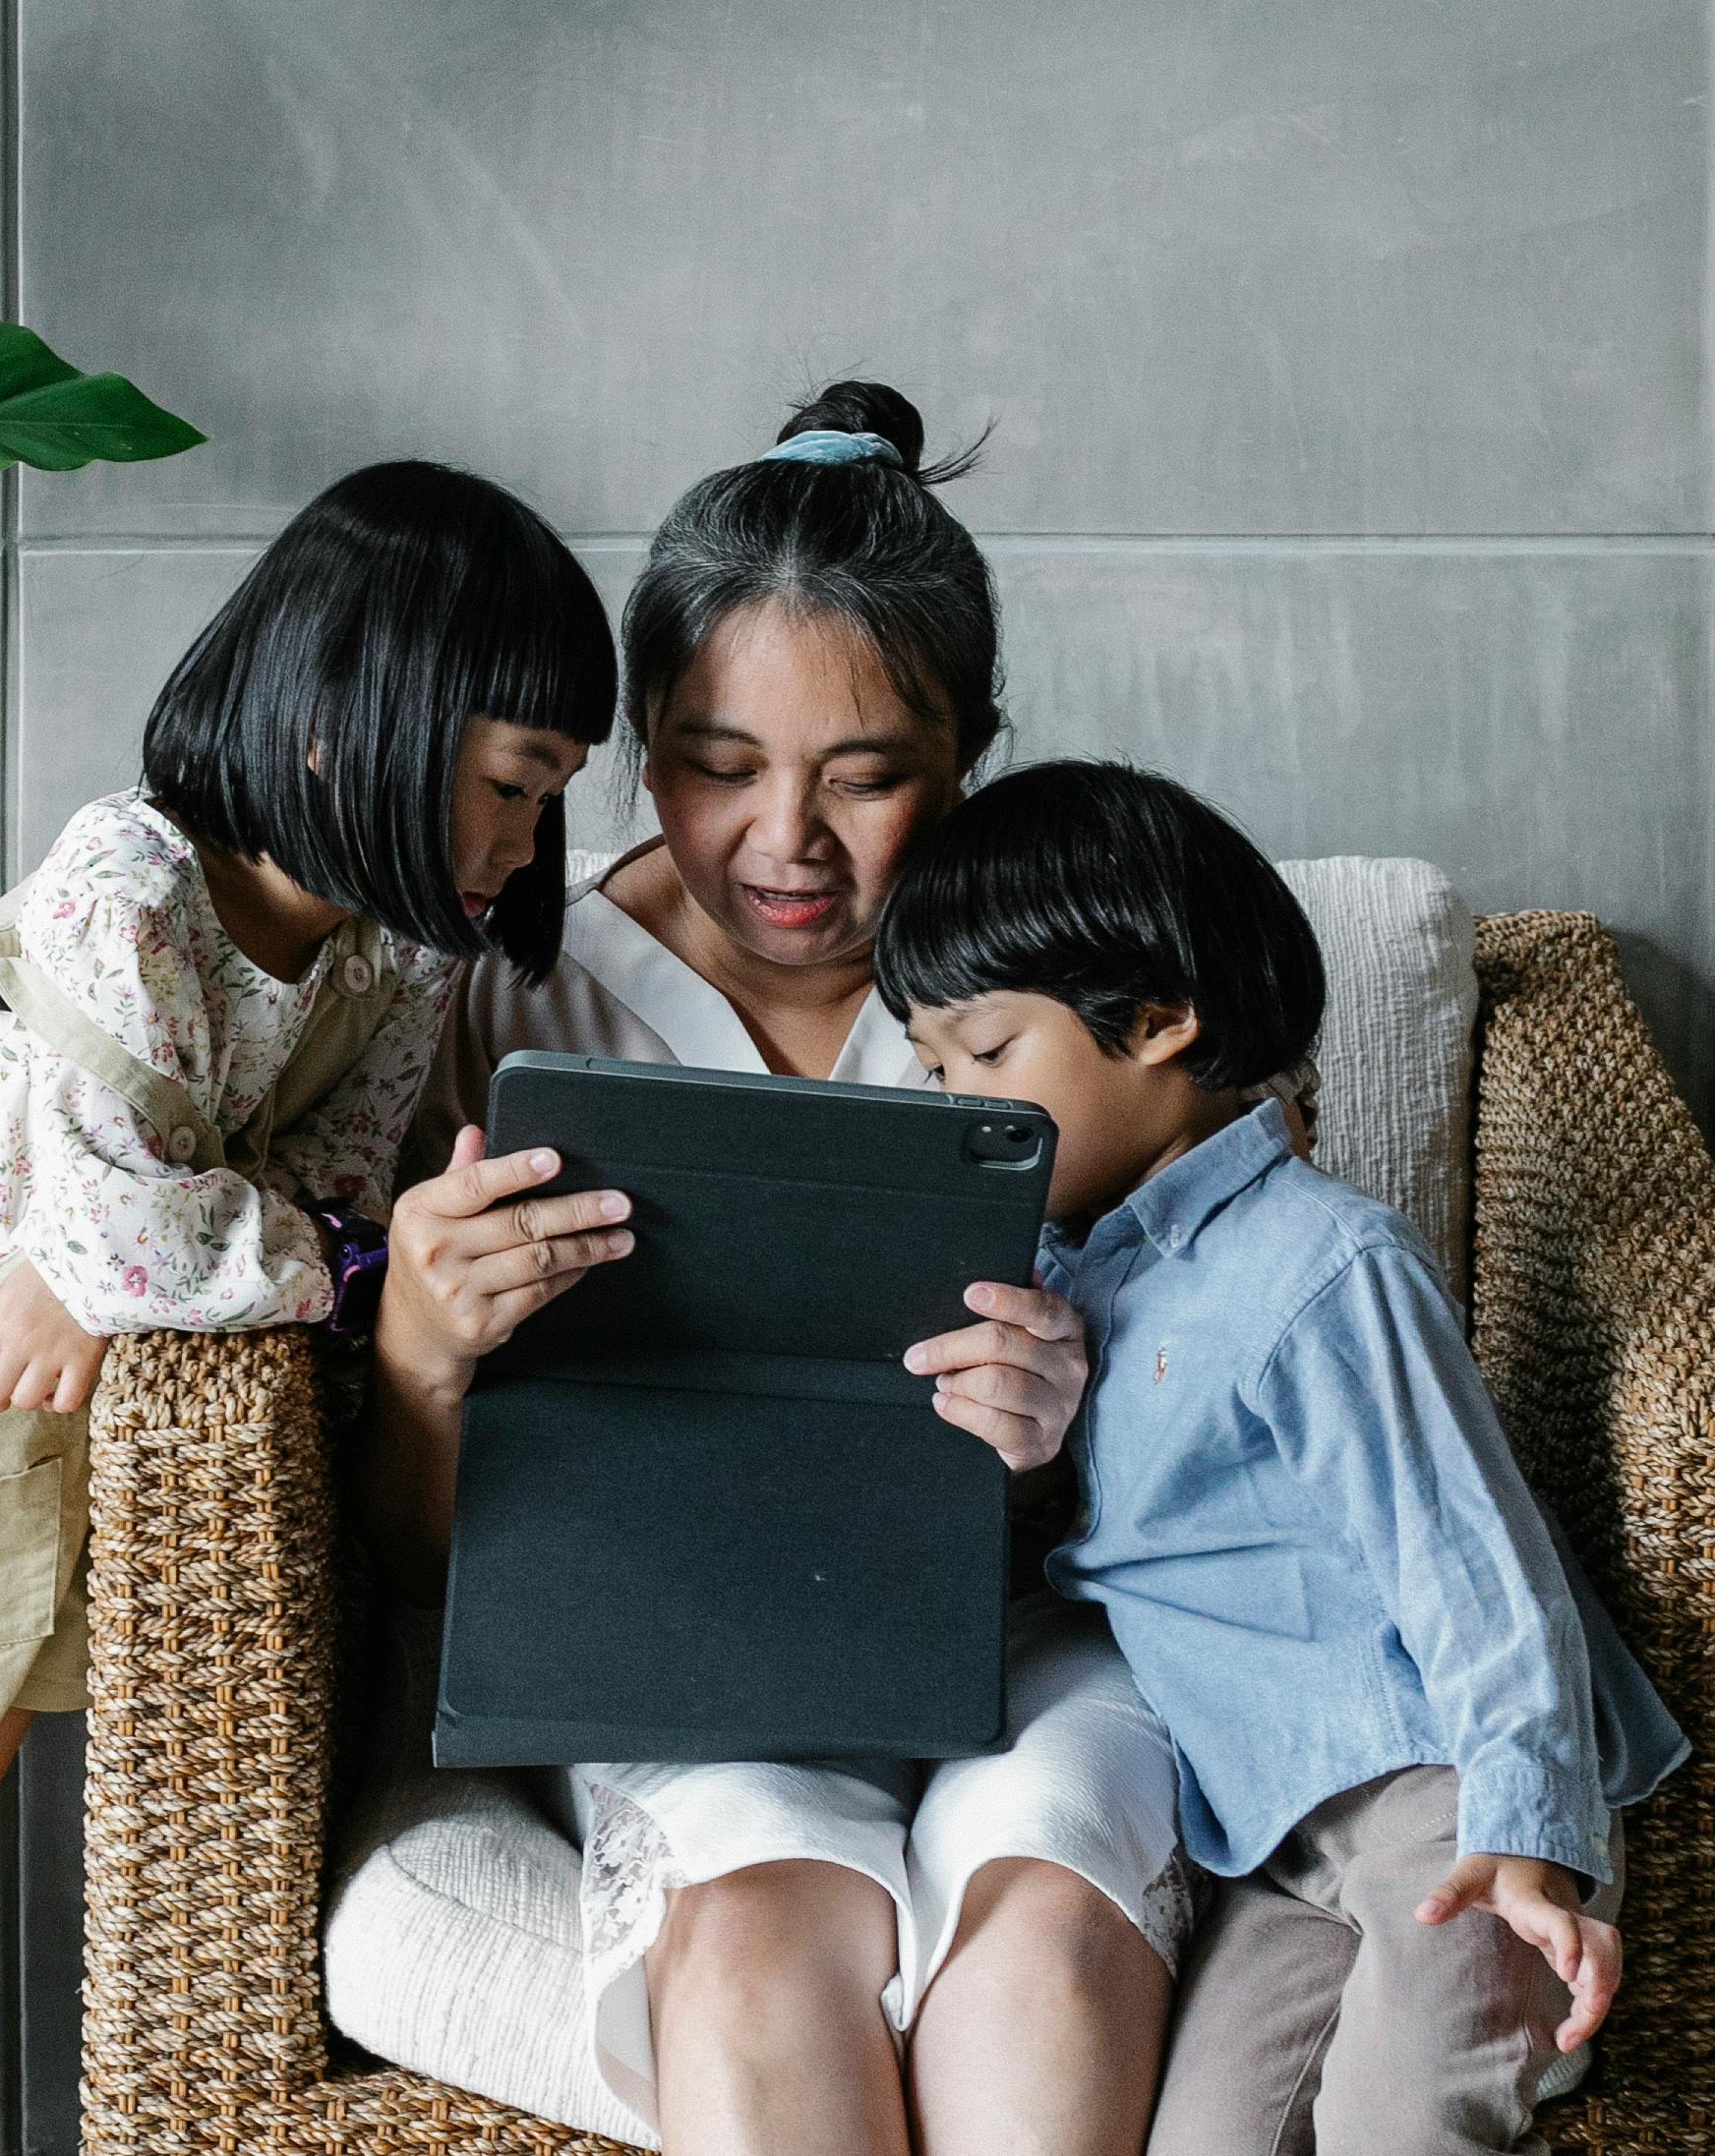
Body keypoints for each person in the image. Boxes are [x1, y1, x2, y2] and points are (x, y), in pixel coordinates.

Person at [0, 462, 616, 2156]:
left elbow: (318, 1197)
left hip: (34, 1454)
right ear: (351, 724)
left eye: (546, 799)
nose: (524, 843)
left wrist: (171, 1252)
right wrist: (178, 1253)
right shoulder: (130, 876)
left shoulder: (393, 954)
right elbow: (179, 1235)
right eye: (507, 784)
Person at [351, 385, 1212, 2156]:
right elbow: (419, 1559)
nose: (784, 844)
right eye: (716, 764)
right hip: (681, 1655)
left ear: (973, 750)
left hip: (1040, 1641)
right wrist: (425, 1354)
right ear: (635, 744)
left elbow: (1268, 1411)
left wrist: (1071, 1432)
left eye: (868, 775)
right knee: (753, 1952)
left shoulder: (1092, 982)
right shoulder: (517, 989)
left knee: (1040, 1953)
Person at [873, 759, 1690, 2156]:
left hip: (1442, 1801)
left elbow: (1474, 1567)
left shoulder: (1320, 1265)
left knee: (1406, 2117)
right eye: (935, 1063)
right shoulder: (1070, 1279)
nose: (961, 1102)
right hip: (1270, 1838)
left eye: (989, 1054)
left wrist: (1530, 1835)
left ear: (1161, 1023)